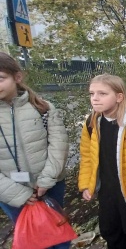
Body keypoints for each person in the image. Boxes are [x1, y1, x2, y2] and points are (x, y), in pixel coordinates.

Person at [78, 74, 126, 249]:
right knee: (110, 230)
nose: (95, 98)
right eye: (92, 93)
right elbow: (87, 156)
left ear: (119, 97)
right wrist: (86, 184)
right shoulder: (91, 123)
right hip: (106, 192)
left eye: (102, 94)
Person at [0, 52, 70, 248]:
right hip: (11, 192)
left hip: (50, 185)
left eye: (0, 78)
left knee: (59, 233)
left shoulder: (42, 108)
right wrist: (15, 193)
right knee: (32, 239)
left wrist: (47, 179)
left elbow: (59, 144)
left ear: (17, 77)